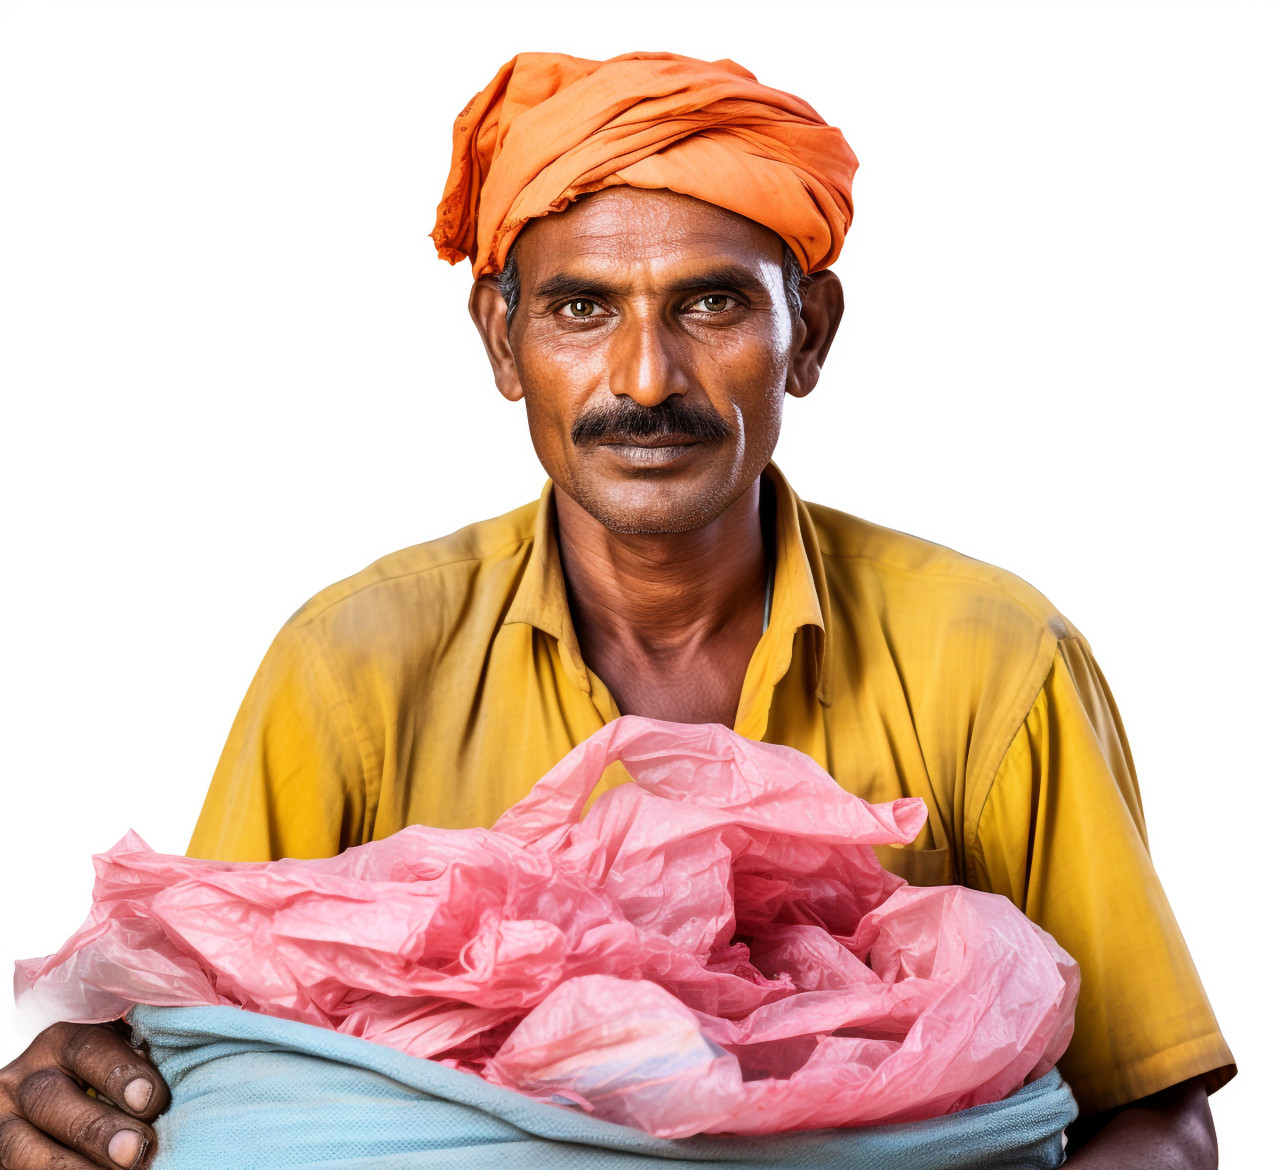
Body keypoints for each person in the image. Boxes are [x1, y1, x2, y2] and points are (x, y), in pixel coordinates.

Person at [0, 51, 1233, 1170]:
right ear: (501, 341)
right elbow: (210, 1069)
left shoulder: (994, 660)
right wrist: (93, 1097)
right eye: (581, 308)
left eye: (711, 303)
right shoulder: (352, 669)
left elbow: (1154, 1115)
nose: (644, 379)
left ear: (807, 335)